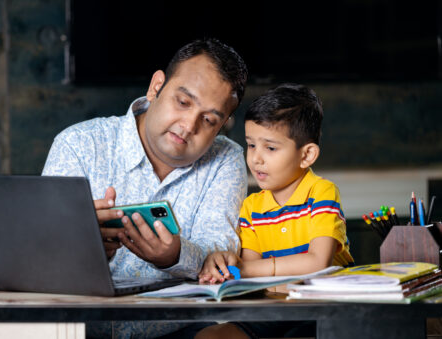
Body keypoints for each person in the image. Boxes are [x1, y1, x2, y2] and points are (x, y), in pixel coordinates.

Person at [42, 38, 248, 338]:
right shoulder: (78, 144)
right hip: (79, 328)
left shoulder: (226, 160)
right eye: (183, 102)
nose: (189, 125)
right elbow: (39, 255)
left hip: (181, 331)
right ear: (156, 86)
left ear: (222, 125)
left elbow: (219, 252)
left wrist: (175, 256)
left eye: (209, 120)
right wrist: (82, 249)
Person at [195, 83, 354, 339]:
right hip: (272, 310)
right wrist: (231, 272)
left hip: (322, 310)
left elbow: (317, 262)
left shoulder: (322, 192)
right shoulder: (252, 207)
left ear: (306, 155)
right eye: (251, 145)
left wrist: (243, 270)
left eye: (270, 148)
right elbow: (254, 273)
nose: (256, 158)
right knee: (210, 336)